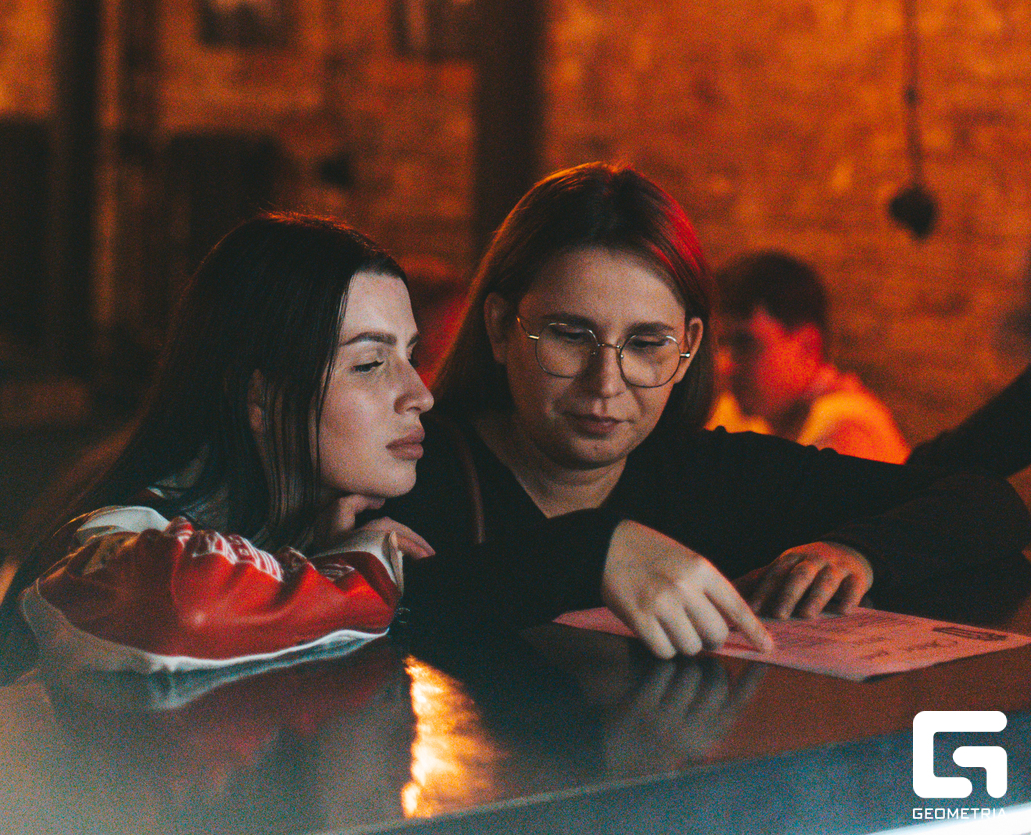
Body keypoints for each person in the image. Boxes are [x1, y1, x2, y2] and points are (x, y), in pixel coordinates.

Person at [383, 165, 1031, 661]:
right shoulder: (407, 468)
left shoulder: (707, 473)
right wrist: (589, 551)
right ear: (501, 327)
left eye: (646, 344)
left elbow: (984, 502)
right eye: (570, 336)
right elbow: (376, 612)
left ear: (690, 346)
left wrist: (856, 552)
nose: (606, 382)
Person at [0, 214, 434, 686]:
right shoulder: (124, 529)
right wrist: (354, 573)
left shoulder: (325, 525)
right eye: (370, 363)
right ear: (261, 398)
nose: (420, 394)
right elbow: (177, 607)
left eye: (412, 357)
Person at [711, 251, 909, 462]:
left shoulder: (842, 426)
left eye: (745, 344)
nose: (725, 365)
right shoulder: (749, 417)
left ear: (807, 347)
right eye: (721, 343)